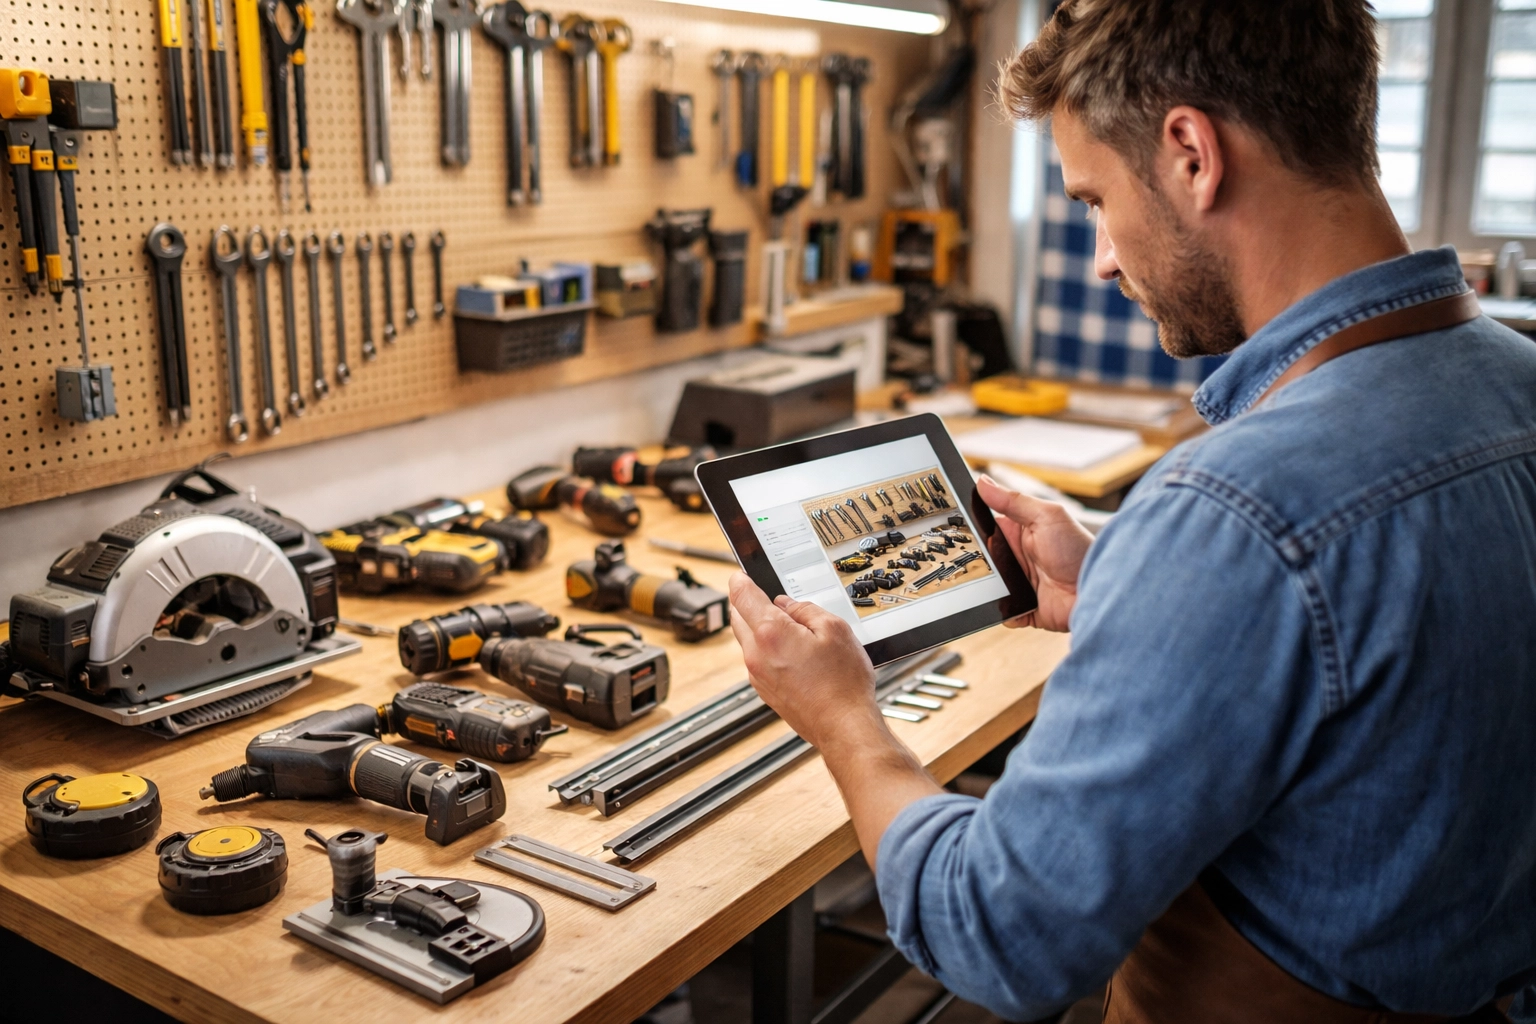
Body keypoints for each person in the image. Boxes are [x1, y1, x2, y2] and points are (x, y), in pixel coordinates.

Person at [727, 2, 1536, 1022]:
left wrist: (845, 717)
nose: (1104, 257)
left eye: (1096, 199)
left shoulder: (1232, 511)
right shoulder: (1518, 381)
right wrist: (1118, 570)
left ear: (1192, 154)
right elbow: (1382, 627)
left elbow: (1000, 936)